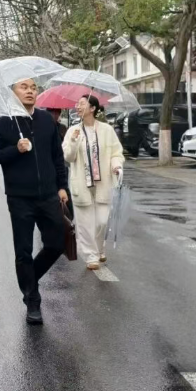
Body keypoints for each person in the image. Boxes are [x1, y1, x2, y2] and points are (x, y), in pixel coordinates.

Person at [0, 78, 69, 326]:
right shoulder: (4, 123)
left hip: (49, 195)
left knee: (57, 243)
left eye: (33, 87)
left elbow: (57, 156)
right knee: (23, 251)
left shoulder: (46, 121)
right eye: (24, 87)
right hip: (20, 198)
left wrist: (62, 186)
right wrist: (16, 149)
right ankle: (32, 300)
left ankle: (29, 279)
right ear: (13, 93)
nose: (30, 91)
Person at [62, 96, 125, 270]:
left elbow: (116, 153)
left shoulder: (107, 130)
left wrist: (116, 166)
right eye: (77, 104)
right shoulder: (73, 130)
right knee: (85, 223)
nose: (78, 106)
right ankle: (91, 255)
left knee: (102, 221)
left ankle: (99, 247)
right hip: (81, 184)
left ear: (93, 108)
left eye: (82, 104)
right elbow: (68, 157)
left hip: (103, 183)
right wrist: (73, 141)